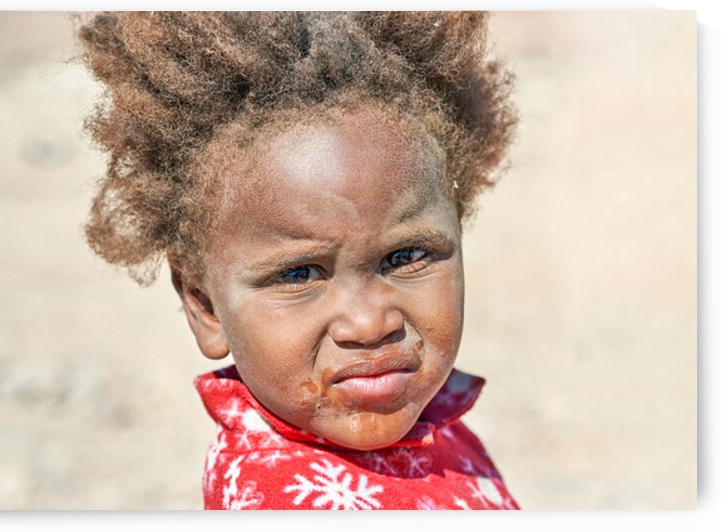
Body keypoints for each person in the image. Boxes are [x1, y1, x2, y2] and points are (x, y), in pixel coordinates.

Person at [77, 11, 518, 510]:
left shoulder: (436, 428)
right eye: (299, 274)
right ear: (205, 306)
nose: (369, 323)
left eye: (406, 255)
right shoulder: (283, 501)